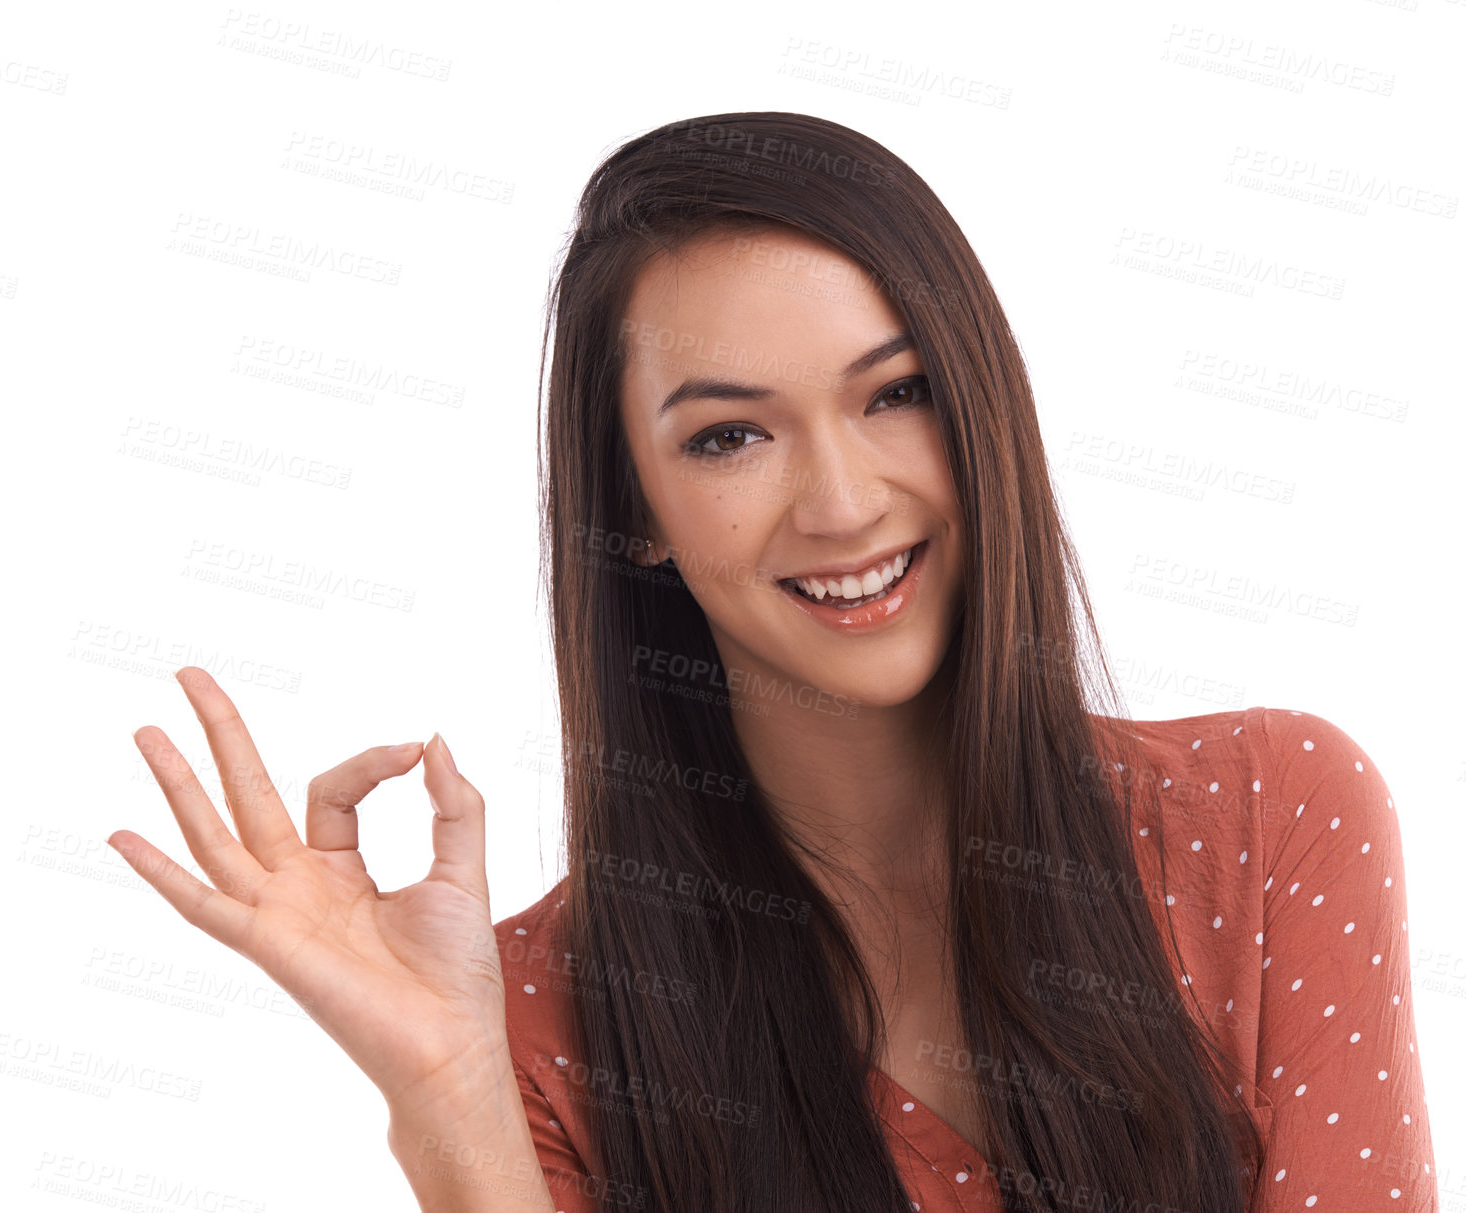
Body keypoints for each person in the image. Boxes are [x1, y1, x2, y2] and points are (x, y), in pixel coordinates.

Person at [108, 113, 1438, 1213]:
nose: (845, 502)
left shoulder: (1268, 817)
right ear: (630, 512)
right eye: (730, 438)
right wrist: (449, 1104)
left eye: (895, 393)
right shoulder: (531, 1010)